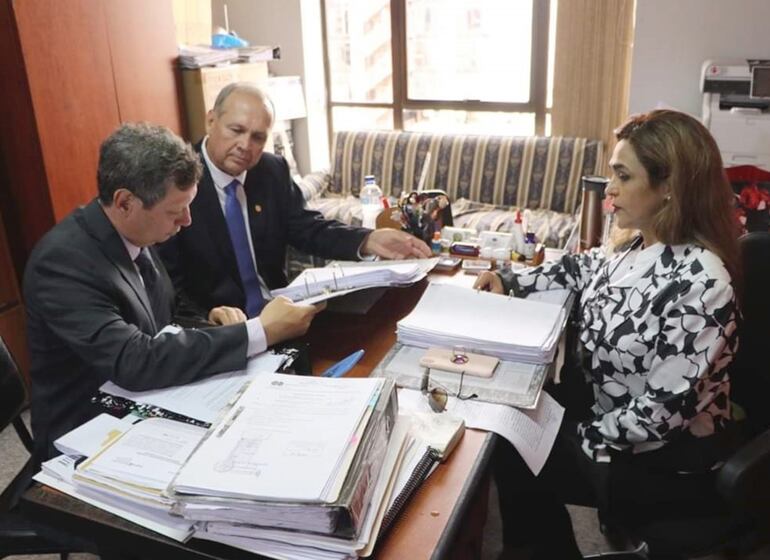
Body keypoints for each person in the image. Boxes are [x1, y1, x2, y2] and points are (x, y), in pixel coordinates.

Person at [474, 109, 741, 559]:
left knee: (514, 447)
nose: (609, 189)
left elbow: (660, 414)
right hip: (610, 410)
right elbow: (582, 268)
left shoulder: (702, 282)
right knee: (507, 408)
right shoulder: (637, 242)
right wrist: (510, 280)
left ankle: (539, 549)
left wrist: (575, 436)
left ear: (669, 186)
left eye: (622, 176)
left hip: (663, 458)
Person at [24, 123, 321, 463]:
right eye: (175, 210)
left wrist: (204, 320)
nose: (187, 220)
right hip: (86, 432)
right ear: (125, 202)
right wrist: (261, 331)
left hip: (148, 401)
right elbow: (134, 360)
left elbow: (163, 310)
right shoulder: (63, 263)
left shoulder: (137, 231)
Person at [157, 83, 431, 320]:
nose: (245, 145)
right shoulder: (176, 182)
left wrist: (368, 240)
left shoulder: (271, 170)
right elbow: (167, 282)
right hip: (222, 330)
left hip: (282, 315)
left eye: (258, 137)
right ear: (210, 121)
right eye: (236, 130)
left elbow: (307, 228)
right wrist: (206, 319)